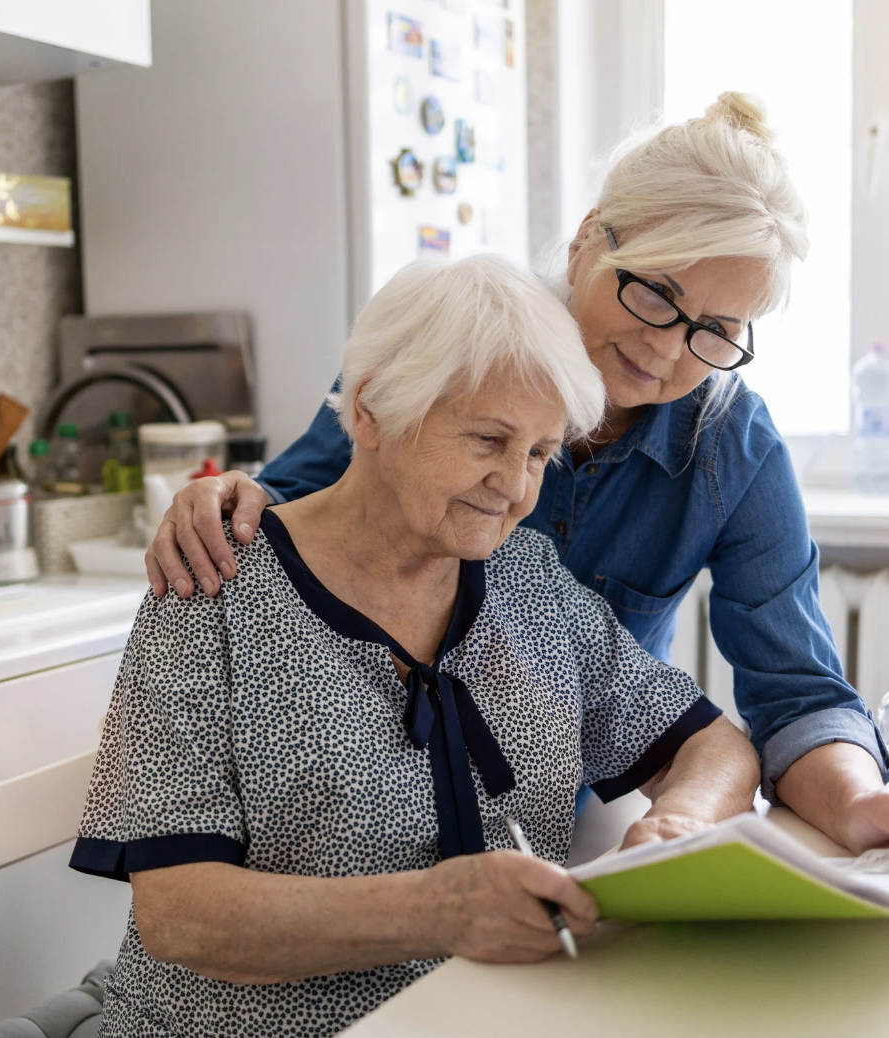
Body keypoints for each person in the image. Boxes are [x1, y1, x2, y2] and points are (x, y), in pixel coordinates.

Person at [145, 92, 889, 856]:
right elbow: (291, 513)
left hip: (557, 813)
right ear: (585, 242)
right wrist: (221, 499)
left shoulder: (731, 444)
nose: (669, 350)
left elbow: (796, 691)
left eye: (716, 333)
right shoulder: (458, 346)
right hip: (361, 811)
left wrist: (865, 805)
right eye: (658, 293)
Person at [71, 255, 760, 1038]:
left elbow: (714, 746)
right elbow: (182, 915)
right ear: (370, 411)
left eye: (538, 453)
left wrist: (684, 825)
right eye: (488, 439)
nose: (514, 486)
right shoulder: (213, 589)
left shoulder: (527, 580)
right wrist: (438, 912)